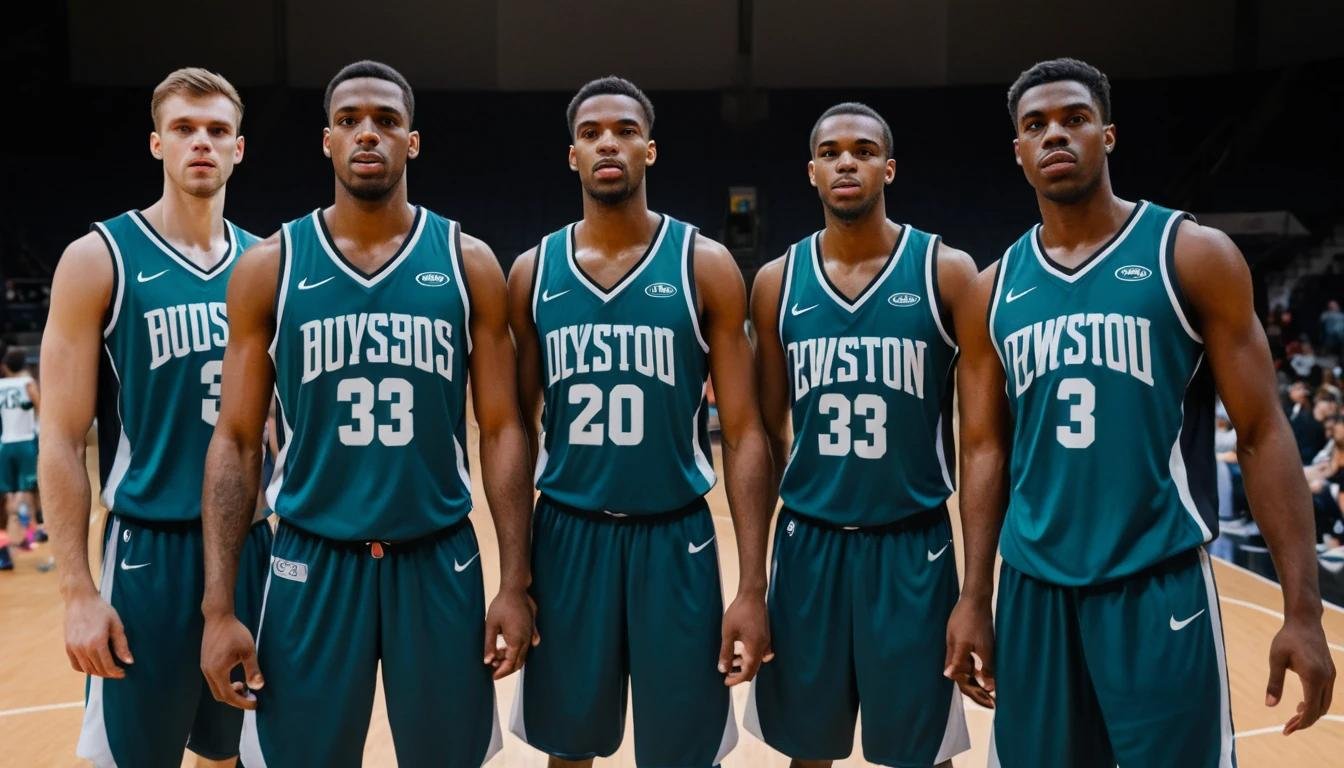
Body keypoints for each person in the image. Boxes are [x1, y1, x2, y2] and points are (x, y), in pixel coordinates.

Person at [945, 57, 1336, 767]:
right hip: (1034, 588)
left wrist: (1303, 610)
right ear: (1018, 152)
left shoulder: (1190, 254)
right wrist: (975, 598)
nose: (1055, 135)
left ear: (1109, 135)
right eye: (1036, 126)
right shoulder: (991, 289)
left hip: (1156, 581)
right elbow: (983, 452)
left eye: (1074, 119)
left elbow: (1261, 432)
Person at [198, 60, 536, 768]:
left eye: (386, 120)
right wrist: (219, 607)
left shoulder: (467, 261)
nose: (368, 134)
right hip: (311, 559)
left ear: (413, 141)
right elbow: (234, 441)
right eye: (349, 121)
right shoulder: (271, 265)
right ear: (326, 141)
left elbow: (504, 429)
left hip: (437, 555)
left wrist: (514, 581)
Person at [506, 76, 773, 768]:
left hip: (675, 537)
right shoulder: (533, 272)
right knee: (569, 747)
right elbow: (513, 427)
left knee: (682, 753)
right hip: (567, 537)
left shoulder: (704, 265)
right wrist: (512, 576)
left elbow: (744, 432)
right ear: (572, 155)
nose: (608, 144)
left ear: (650, 150)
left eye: (625, 131)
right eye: (592, 133)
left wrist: (750, 584)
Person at [39, 68, 271, 767]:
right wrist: (77, 591)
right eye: (183, 129)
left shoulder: (268, 265)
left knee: (234, 753)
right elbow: (59, 436)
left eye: (217, 131)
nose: (201, 142)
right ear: (156, 143)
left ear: (239, 149)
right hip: (147, 555)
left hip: (250, 547)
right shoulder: (99, 258)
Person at [744, 102, 973, 768]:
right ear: (812, 171)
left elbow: (982, 437)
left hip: (913, 545)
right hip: (809, 544)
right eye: (833, 151)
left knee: (921, 752)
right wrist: (754, 583)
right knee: (807, 748)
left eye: (865, 150)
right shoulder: (776, 283)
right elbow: (763, 433)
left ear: (889, 167)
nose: (848, 160)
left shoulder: (946, 272)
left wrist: (977, 587)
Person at [0, 349, 40, 568]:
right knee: (25, 491)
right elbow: (42, 409)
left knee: (7, 494)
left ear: (6, 366)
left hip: (5, 444)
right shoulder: (27, 383)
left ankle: (8, 544)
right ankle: (27, 535)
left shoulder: (1, 385)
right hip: (25, 442)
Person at [1287, 380, 1326, 463]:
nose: (1301, 392)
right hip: (1293, 453)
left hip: (1311, 455)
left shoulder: (1314, 409)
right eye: (1296, 388)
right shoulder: (1289, 411)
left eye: (1301, 388)